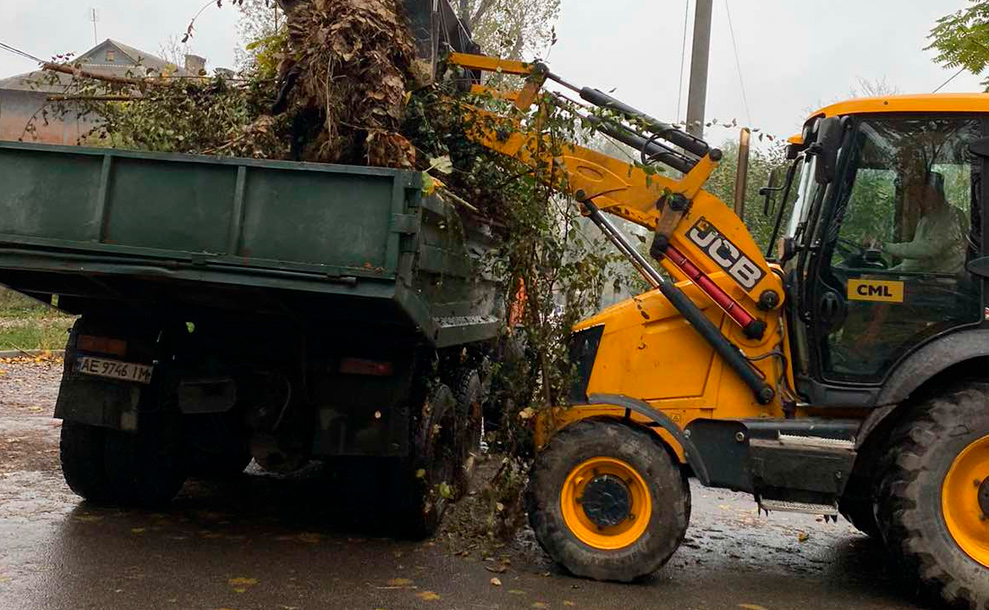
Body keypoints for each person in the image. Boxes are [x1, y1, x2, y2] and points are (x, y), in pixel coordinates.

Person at [874, 172, 967, 274]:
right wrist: (887, 274)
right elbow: (915, 263)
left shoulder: (952, 216)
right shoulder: (927, 219)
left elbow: (929, 249)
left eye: (922, 194)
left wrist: (884, 246)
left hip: (942, 283)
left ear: (934, 192)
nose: (917, 199)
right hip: (923, 278)